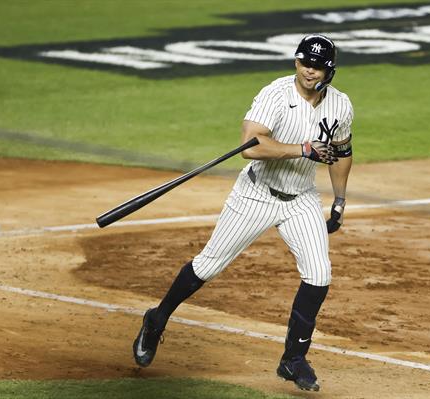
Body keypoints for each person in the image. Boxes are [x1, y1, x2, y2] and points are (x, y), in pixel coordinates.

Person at [132, 34, 353, 392]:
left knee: (319, 273)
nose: (308, 71)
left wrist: (339, 201)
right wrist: (303, 149)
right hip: (255, 194)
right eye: (303, 63)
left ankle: (293, 360)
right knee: (208, 265)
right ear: (296, 62)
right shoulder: (275, 95)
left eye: (316, 66)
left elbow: (342, 151)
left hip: (301, 198)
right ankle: (156, 320)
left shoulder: (341, 105)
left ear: (330, 71)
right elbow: (251, 147)